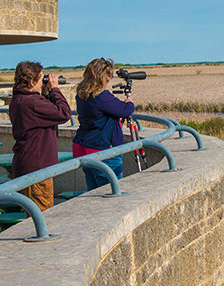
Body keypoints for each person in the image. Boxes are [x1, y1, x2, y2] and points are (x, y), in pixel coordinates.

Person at [9, 61, 71, 211]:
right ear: (31, 81)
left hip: (27, 163)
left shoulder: (18, 100)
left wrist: (45, 91)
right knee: (42, 214)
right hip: (37, 168)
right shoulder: (32, 102)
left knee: (34, 214)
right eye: (40, 79)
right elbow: (64, 113)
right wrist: (55, 89)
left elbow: (49, 111)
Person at [72, 58, 134, 190]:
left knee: (93, 192)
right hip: (101, 150)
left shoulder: (82, 94)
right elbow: (125, 110)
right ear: (102, 77)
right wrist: (129, 101)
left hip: (83, 147)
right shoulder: (101, 97)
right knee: (111, 193)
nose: (110, 79)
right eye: (109, 75)